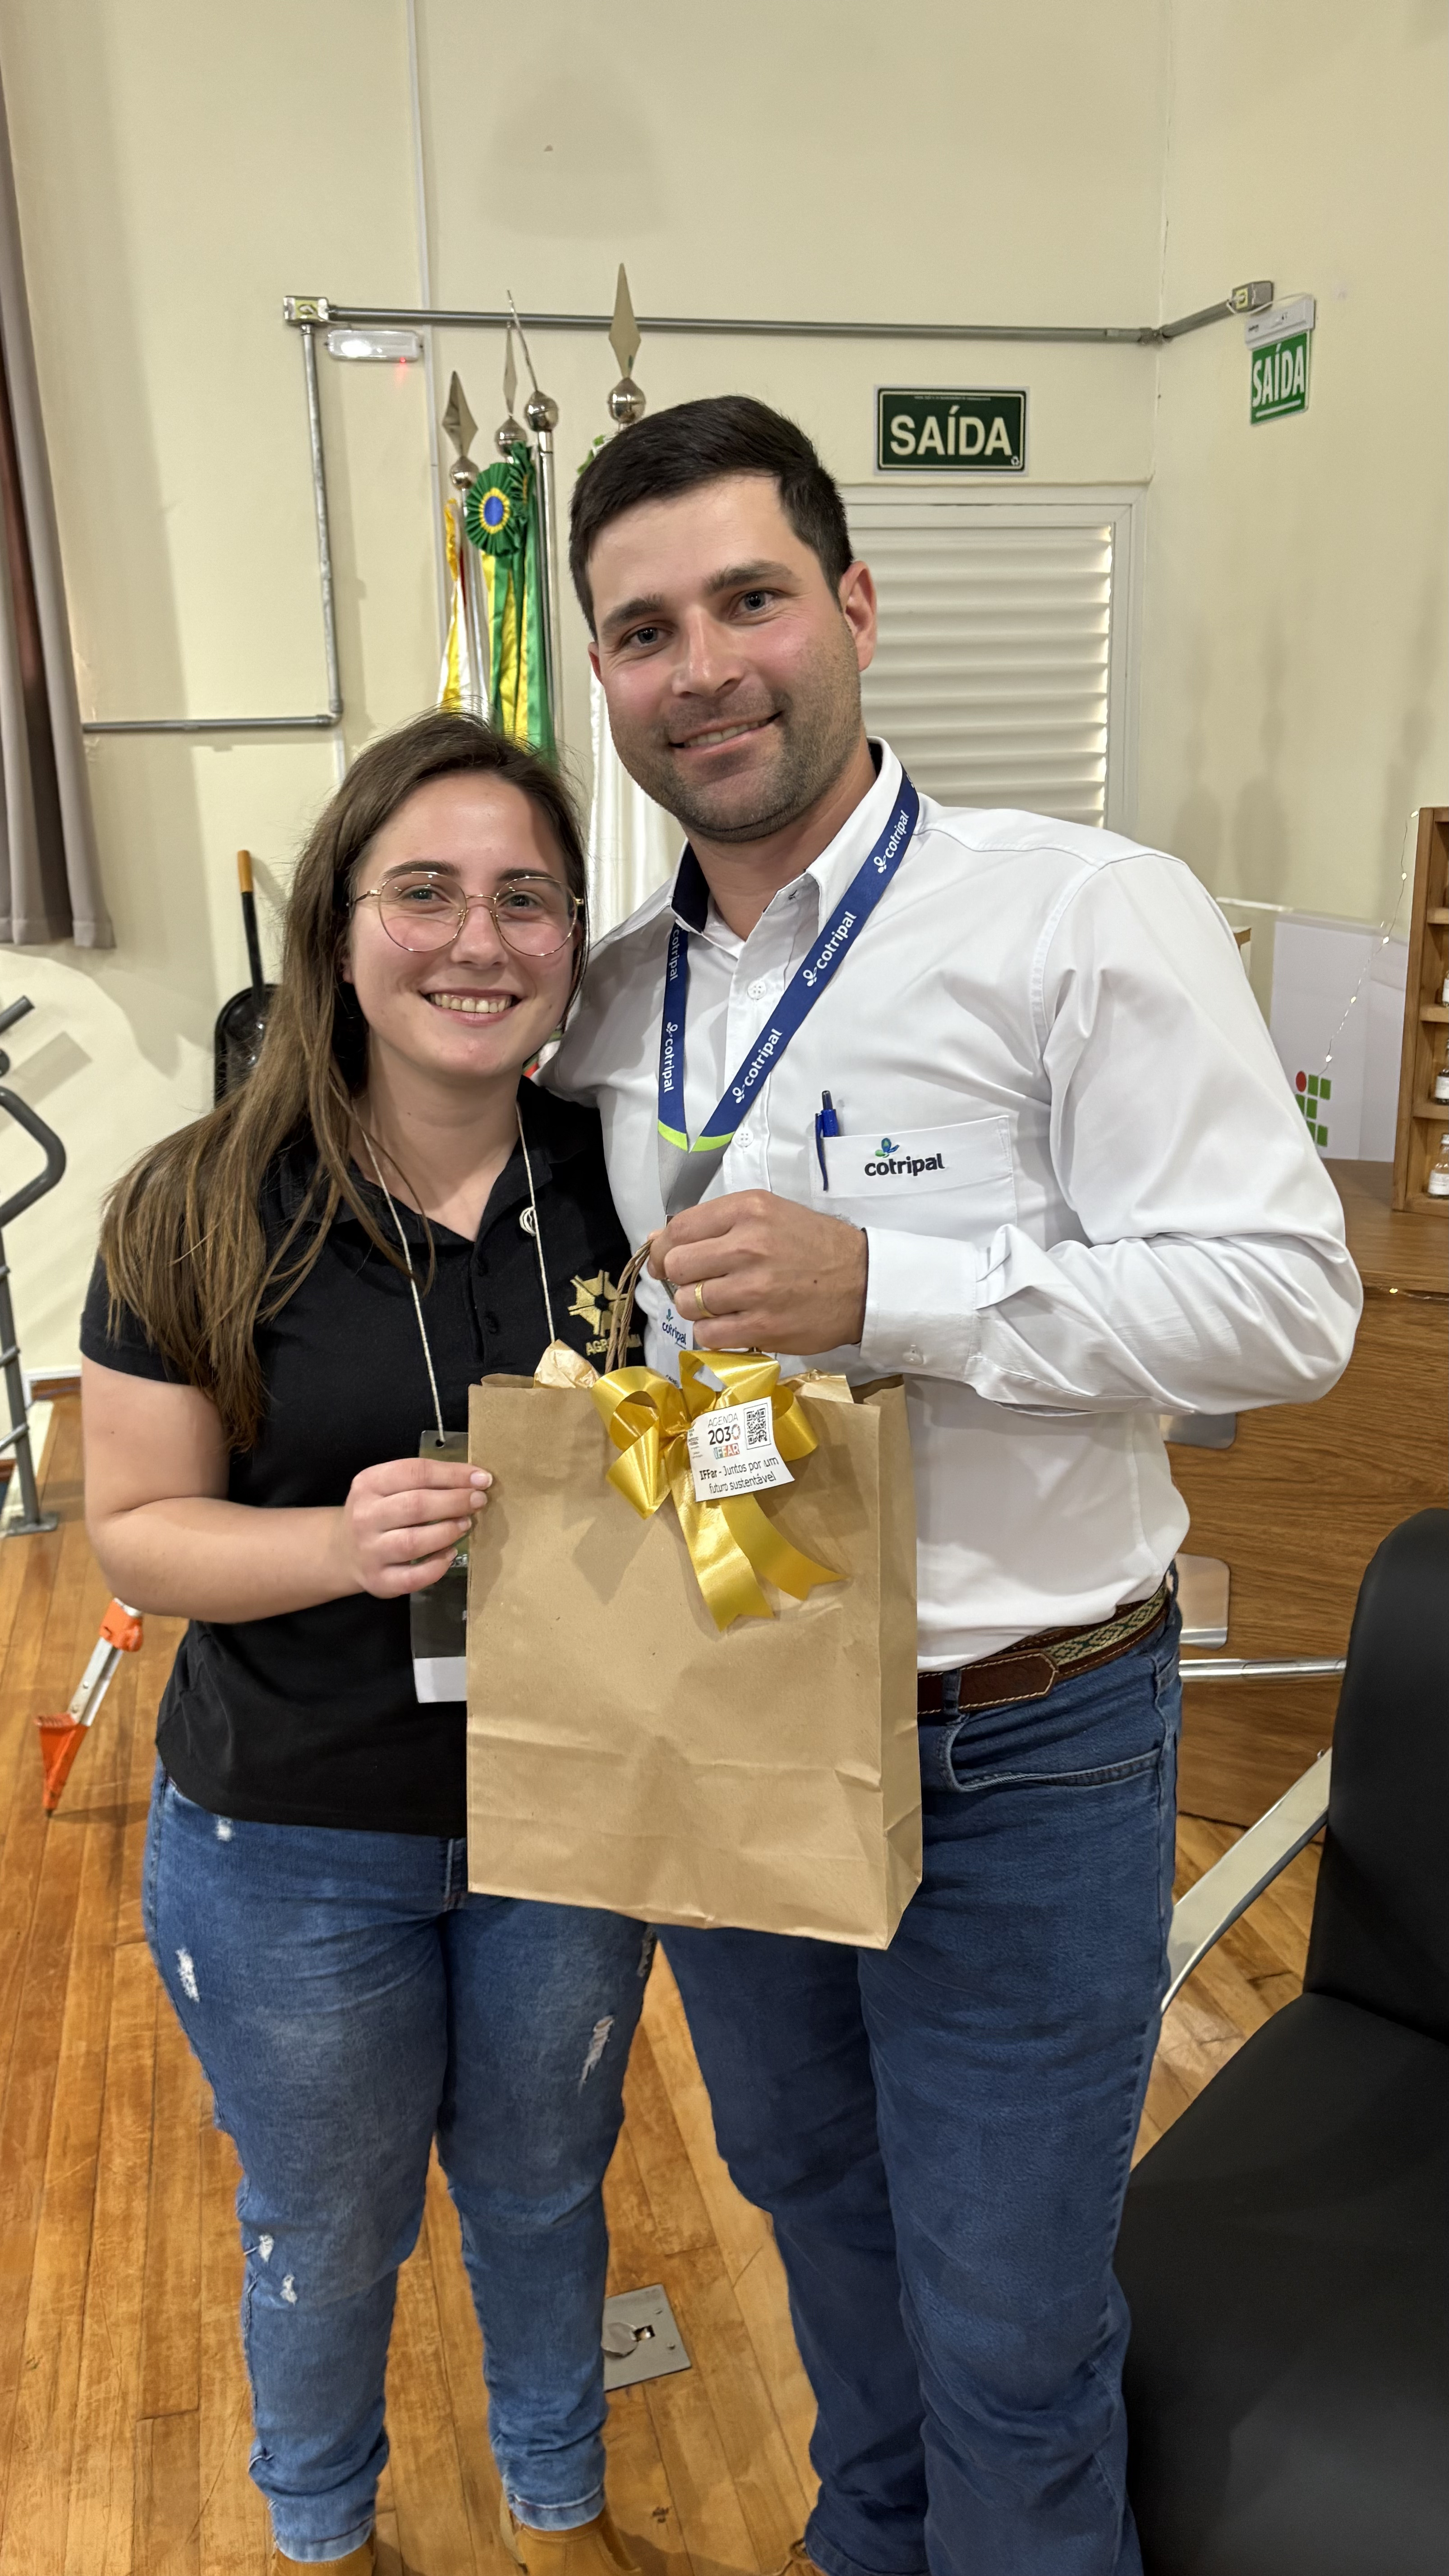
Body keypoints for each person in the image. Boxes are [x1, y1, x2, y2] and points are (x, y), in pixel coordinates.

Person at [547, 397, 1362, 2576]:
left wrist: (897, 1294)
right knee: (822, 2227)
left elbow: (1290, 1308)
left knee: (1007, 2325)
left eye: (749, 598)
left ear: (855, 606)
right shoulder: (611, 1001)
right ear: (601, 674)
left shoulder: (1081, 918)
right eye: (644, 630)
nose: (704, 666)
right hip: (736, 1703)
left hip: (1021, 1744)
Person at [82, 712, 647, 2576]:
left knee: (548, 2196)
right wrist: (335, 1543)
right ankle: (323, 2533)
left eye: (526, 898)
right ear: (338, 927)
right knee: (327, 2229)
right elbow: (135, 1530)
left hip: (572, 1820)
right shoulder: (194, 1203)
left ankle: (560, 2509)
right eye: (425, 893)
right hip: (295, 1841)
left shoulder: (626, 1183)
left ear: (573, 938)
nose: (479, 941)